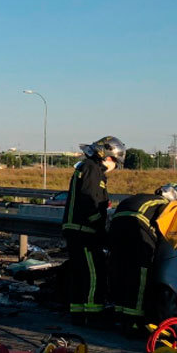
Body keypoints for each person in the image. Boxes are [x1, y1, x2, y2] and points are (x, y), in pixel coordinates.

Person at [62, 136, 124, 327]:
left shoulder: (86, 167)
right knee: (94, 273)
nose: (114, 165)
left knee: (79, 274)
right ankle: (93, 314)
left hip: (77, 230)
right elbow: (91, 202)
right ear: (105, 155)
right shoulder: (93, 169)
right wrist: (101, 229)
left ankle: (79, 315)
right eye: (114, 160)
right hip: (85, 231)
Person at [109, 183, 177, 328]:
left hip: (116, 229)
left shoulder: (142, 198)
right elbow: (170, 231)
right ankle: (133, 322)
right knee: (141, 274)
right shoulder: (165, 204)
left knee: (121, 272)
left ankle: (119, 316)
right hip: (137, 231)